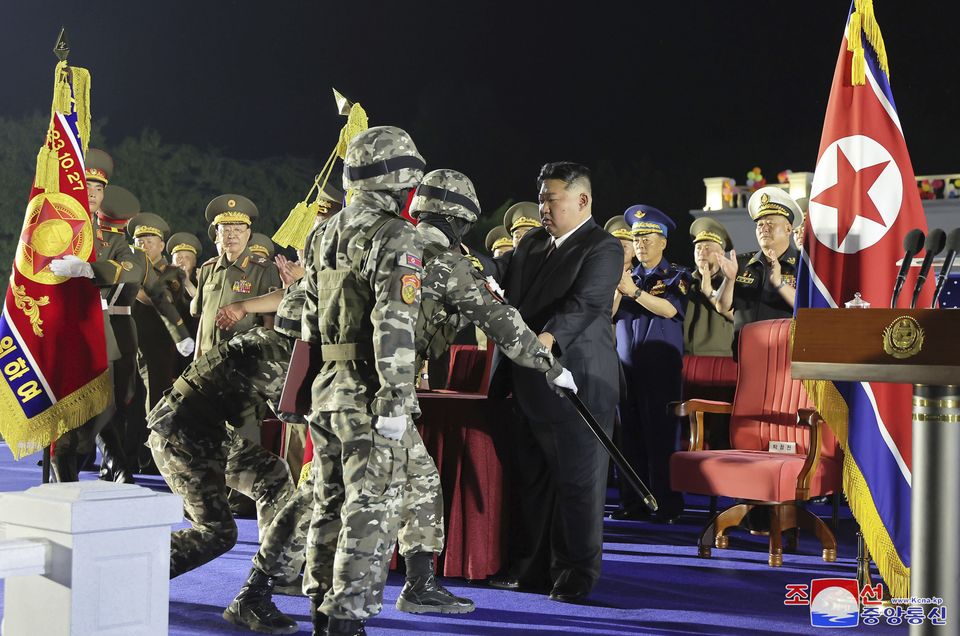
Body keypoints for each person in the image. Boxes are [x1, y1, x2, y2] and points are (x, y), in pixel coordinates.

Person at [224, 168, 577, 634]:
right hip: (377, 394)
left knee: (414, 481)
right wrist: (551, 367)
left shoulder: (348, 236)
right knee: (351, 503)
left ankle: (415, 581)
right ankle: (307, 604)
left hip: (330, 387)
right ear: (461, 218)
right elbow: (501, 322)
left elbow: (296, 313)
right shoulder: (442, 261)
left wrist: (303, 384)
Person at [489, 162, 622, 603]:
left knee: (578, 484)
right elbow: (503, 283)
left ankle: (575, 575)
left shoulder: (602, 247)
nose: (543, 206)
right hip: (528, 382)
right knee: (532, 480)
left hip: (578, 381)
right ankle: (528, 569)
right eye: (542, 197)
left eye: (552, 198)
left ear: (582, 200)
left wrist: (544, 339)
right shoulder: (530, 245)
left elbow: (584, 305)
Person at [48, 150, 145, 482]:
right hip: (61, 328)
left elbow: (132, 271)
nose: (92, 192)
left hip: (98, 330)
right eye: (85, 184)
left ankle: (111, 463)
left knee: (103, 406)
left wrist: (89, 269)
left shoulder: (110, 240)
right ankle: (67, 472)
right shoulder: (54, 228)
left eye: (98, 188)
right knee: (64, 409)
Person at [611, 205, 690, 522]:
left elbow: (670, 310)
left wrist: (635, 292)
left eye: (647, 237)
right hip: (626, 369)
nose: (640, 243)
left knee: (660, 437)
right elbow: (608, 313)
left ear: (664, 242)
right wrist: (620, 286)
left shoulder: (675, 275)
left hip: (660, 371)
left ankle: (666, 504)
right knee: (629, 438)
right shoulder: (627, 277)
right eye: (636, 237)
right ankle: (633, 501)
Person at [128, 212, 196, 472]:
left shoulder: (171, 273)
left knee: (155, 403)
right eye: (138, 240)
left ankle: (154, 459)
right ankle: (129, 455)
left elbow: (155, 298)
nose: (143, 245)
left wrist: (127, 279)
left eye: (149, 240)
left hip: (158, 348)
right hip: (129, 344)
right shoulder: (128, 268)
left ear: (161, 245)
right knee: (128, 401)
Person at [716, 186, 801, 355]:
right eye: (760, 224)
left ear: (788, 229)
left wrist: (779, 283)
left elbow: (808, 309)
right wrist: (729, 280)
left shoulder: (803, 264)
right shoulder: (741, 263)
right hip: (747, 355)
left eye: (770, 223)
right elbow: (722, 307)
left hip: (785, 356)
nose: (763, 228)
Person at [683, 217, 734, 357]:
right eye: (698, 248)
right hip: (687, 357)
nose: (701, 252)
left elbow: (739, 317)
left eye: (708, 248)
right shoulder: (684, 281)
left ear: (721, 254)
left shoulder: (730, 282)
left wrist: (710, 292)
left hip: (720, 358)